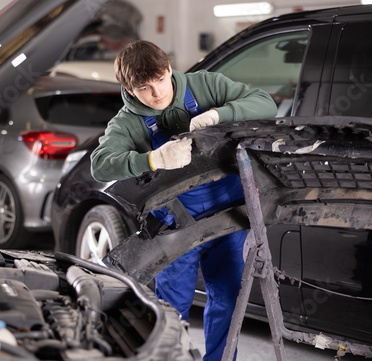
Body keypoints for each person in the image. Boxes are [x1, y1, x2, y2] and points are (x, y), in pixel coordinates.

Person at [90, 40, 277, 361]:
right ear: (129, 89)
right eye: (145, 88)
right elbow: (100, 163)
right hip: (175, 224)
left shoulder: (206, 85)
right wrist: (152, 158)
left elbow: (265, 103)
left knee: (229, 300)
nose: (158, 92)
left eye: (161, 79)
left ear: (169, 68)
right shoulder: (127, 122)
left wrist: (221, 114)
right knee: (170, 309)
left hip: (227, 216)